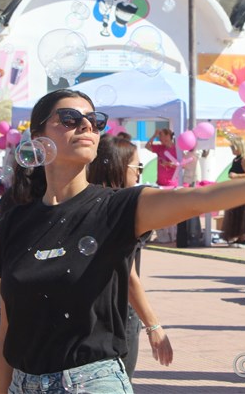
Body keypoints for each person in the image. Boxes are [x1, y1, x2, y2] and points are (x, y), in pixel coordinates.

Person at [0, 89, 245, 393]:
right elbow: (8, 324)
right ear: (38, 137)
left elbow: (198, 200)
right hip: (23, 384)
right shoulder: (16, 223)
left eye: (94, 121)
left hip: (90, 383)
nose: (85, 126)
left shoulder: (116, 208)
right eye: (69, 119)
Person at [86, 134, 174, 381]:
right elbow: (128, 275)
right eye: (137, 167)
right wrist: (154, 326)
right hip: (119, 309)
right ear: (118, 166)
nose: (139, 174)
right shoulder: (123, 210)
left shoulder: (84, 202)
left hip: (85, 307)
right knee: (119, 379)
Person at [221, 137, 245, 248]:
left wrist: (236, 176)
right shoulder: (236, 159)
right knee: (237, 213)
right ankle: (238, 236)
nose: (231, 149)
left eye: (233, 147)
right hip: (237, 190)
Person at [145, 128, 178, 242]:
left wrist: (169, 164)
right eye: (160, 137)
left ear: (169, 136)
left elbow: (182, 164)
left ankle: (172, 235)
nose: (161, 139)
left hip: (172, 184)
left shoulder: (177, 148)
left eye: (163, 136)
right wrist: (154, 135)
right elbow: (147, 146)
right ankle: (163, 235)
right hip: (160, 183)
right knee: (161, 209)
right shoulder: (160, 148)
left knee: (171, 210)